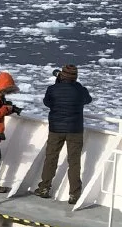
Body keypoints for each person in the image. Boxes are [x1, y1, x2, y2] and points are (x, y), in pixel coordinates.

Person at [37, 64, 93, 202]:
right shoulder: (79, 90)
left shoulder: (53, 89)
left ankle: (44, 187)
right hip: (75, 130)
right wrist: (77, 86)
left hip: (56, 129)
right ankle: (74, 194)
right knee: (74, 162)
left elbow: (47, 102)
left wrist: (58, 83)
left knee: (51, 158)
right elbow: (88, 99)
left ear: (62, 75)